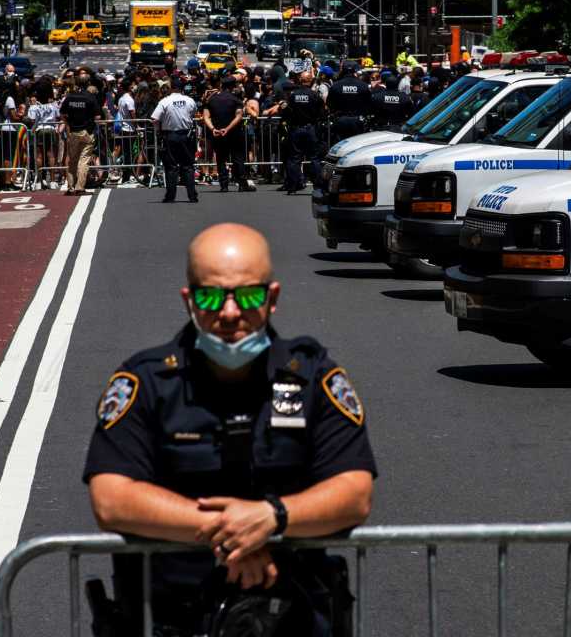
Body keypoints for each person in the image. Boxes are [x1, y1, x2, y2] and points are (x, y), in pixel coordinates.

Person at [84, 223, 376, 636]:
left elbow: (355, 492)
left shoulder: (314, 378)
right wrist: (232, 533)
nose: (230, 313)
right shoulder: (146, 383)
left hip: (295, 617)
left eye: (249, 295)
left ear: (272, 297)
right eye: (210, 297)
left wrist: (272, 518)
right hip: (171, 620)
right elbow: (111, 499)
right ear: (189, 300)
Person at [265, 69, 324, 194]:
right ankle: (318, 186)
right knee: (314, 158)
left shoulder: (292, 95)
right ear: (311, 80)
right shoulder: (314, 95)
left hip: (296, 129)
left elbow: (286, 112)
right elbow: (321, 112)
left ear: (300, 80)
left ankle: (292, 187)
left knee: (294, 158)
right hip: (310, 129)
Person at [151, 80, 200, 203]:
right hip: (187, 135)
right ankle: (192, 196)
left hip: (170, 135)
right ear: (182, 89)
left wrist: (158, 131)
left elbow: (155, 119)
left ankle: (170, 196)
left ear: (171, 89)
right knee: (188, 166)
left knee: (171, 167)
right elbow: (194, 114)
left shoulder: (165, 101)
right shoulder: (189, 100)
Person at [202, 76, 254, 192]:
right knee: (238, 158)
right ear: (232, 86)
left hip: (218, 133)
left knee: (221, 159)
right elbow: (239, 116)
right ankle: (242, 183)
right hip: (234, 133)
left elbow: (206, 116)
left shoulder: (212, 99)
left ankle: (224, 185)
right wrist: (228, 128)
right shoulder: (236, 99)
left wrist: (213, 129)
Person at [60, 75, 101, 195]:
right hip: (87, 132)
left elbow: (62, 113)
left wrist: (68, 124)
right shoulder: (90, 97)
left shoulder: (70, 97)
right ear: (88, 83)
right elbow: (97, 116)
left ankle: (70, 187)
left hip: (73, 131)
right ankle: (80, 187)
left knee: (72, 160)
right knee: (84, 160)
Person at [325, 63, 372, 141]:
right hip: (358, 121)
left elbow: (329, 104)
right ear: (354, 71)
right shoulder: (363, 85)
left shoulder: (336, 85)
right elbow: (369, 104)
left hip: (341, 121)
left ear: (343, 71)